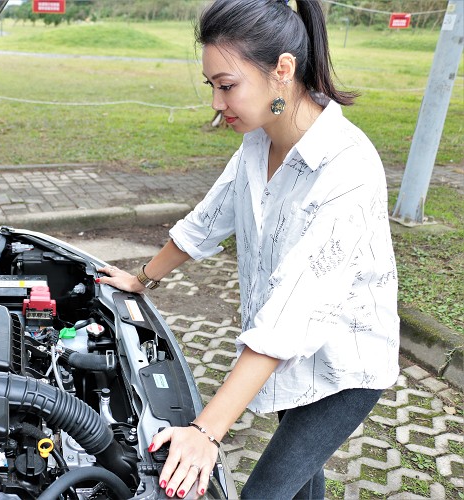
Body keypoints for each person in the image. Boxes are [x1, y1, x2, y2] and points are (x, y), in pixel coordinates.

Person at [97, 0, 400, 498]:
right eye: (211, 86)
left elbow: (292, 312)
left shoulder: (347, 168)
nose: (217, 103)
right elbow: (208, 219)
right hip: (286, 356)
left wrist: (205, 432)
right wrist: (142, 279)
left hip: (343, 365)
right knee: (301, 484)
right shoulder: (258, 142)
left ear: (283, 70)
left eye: (227, 85)